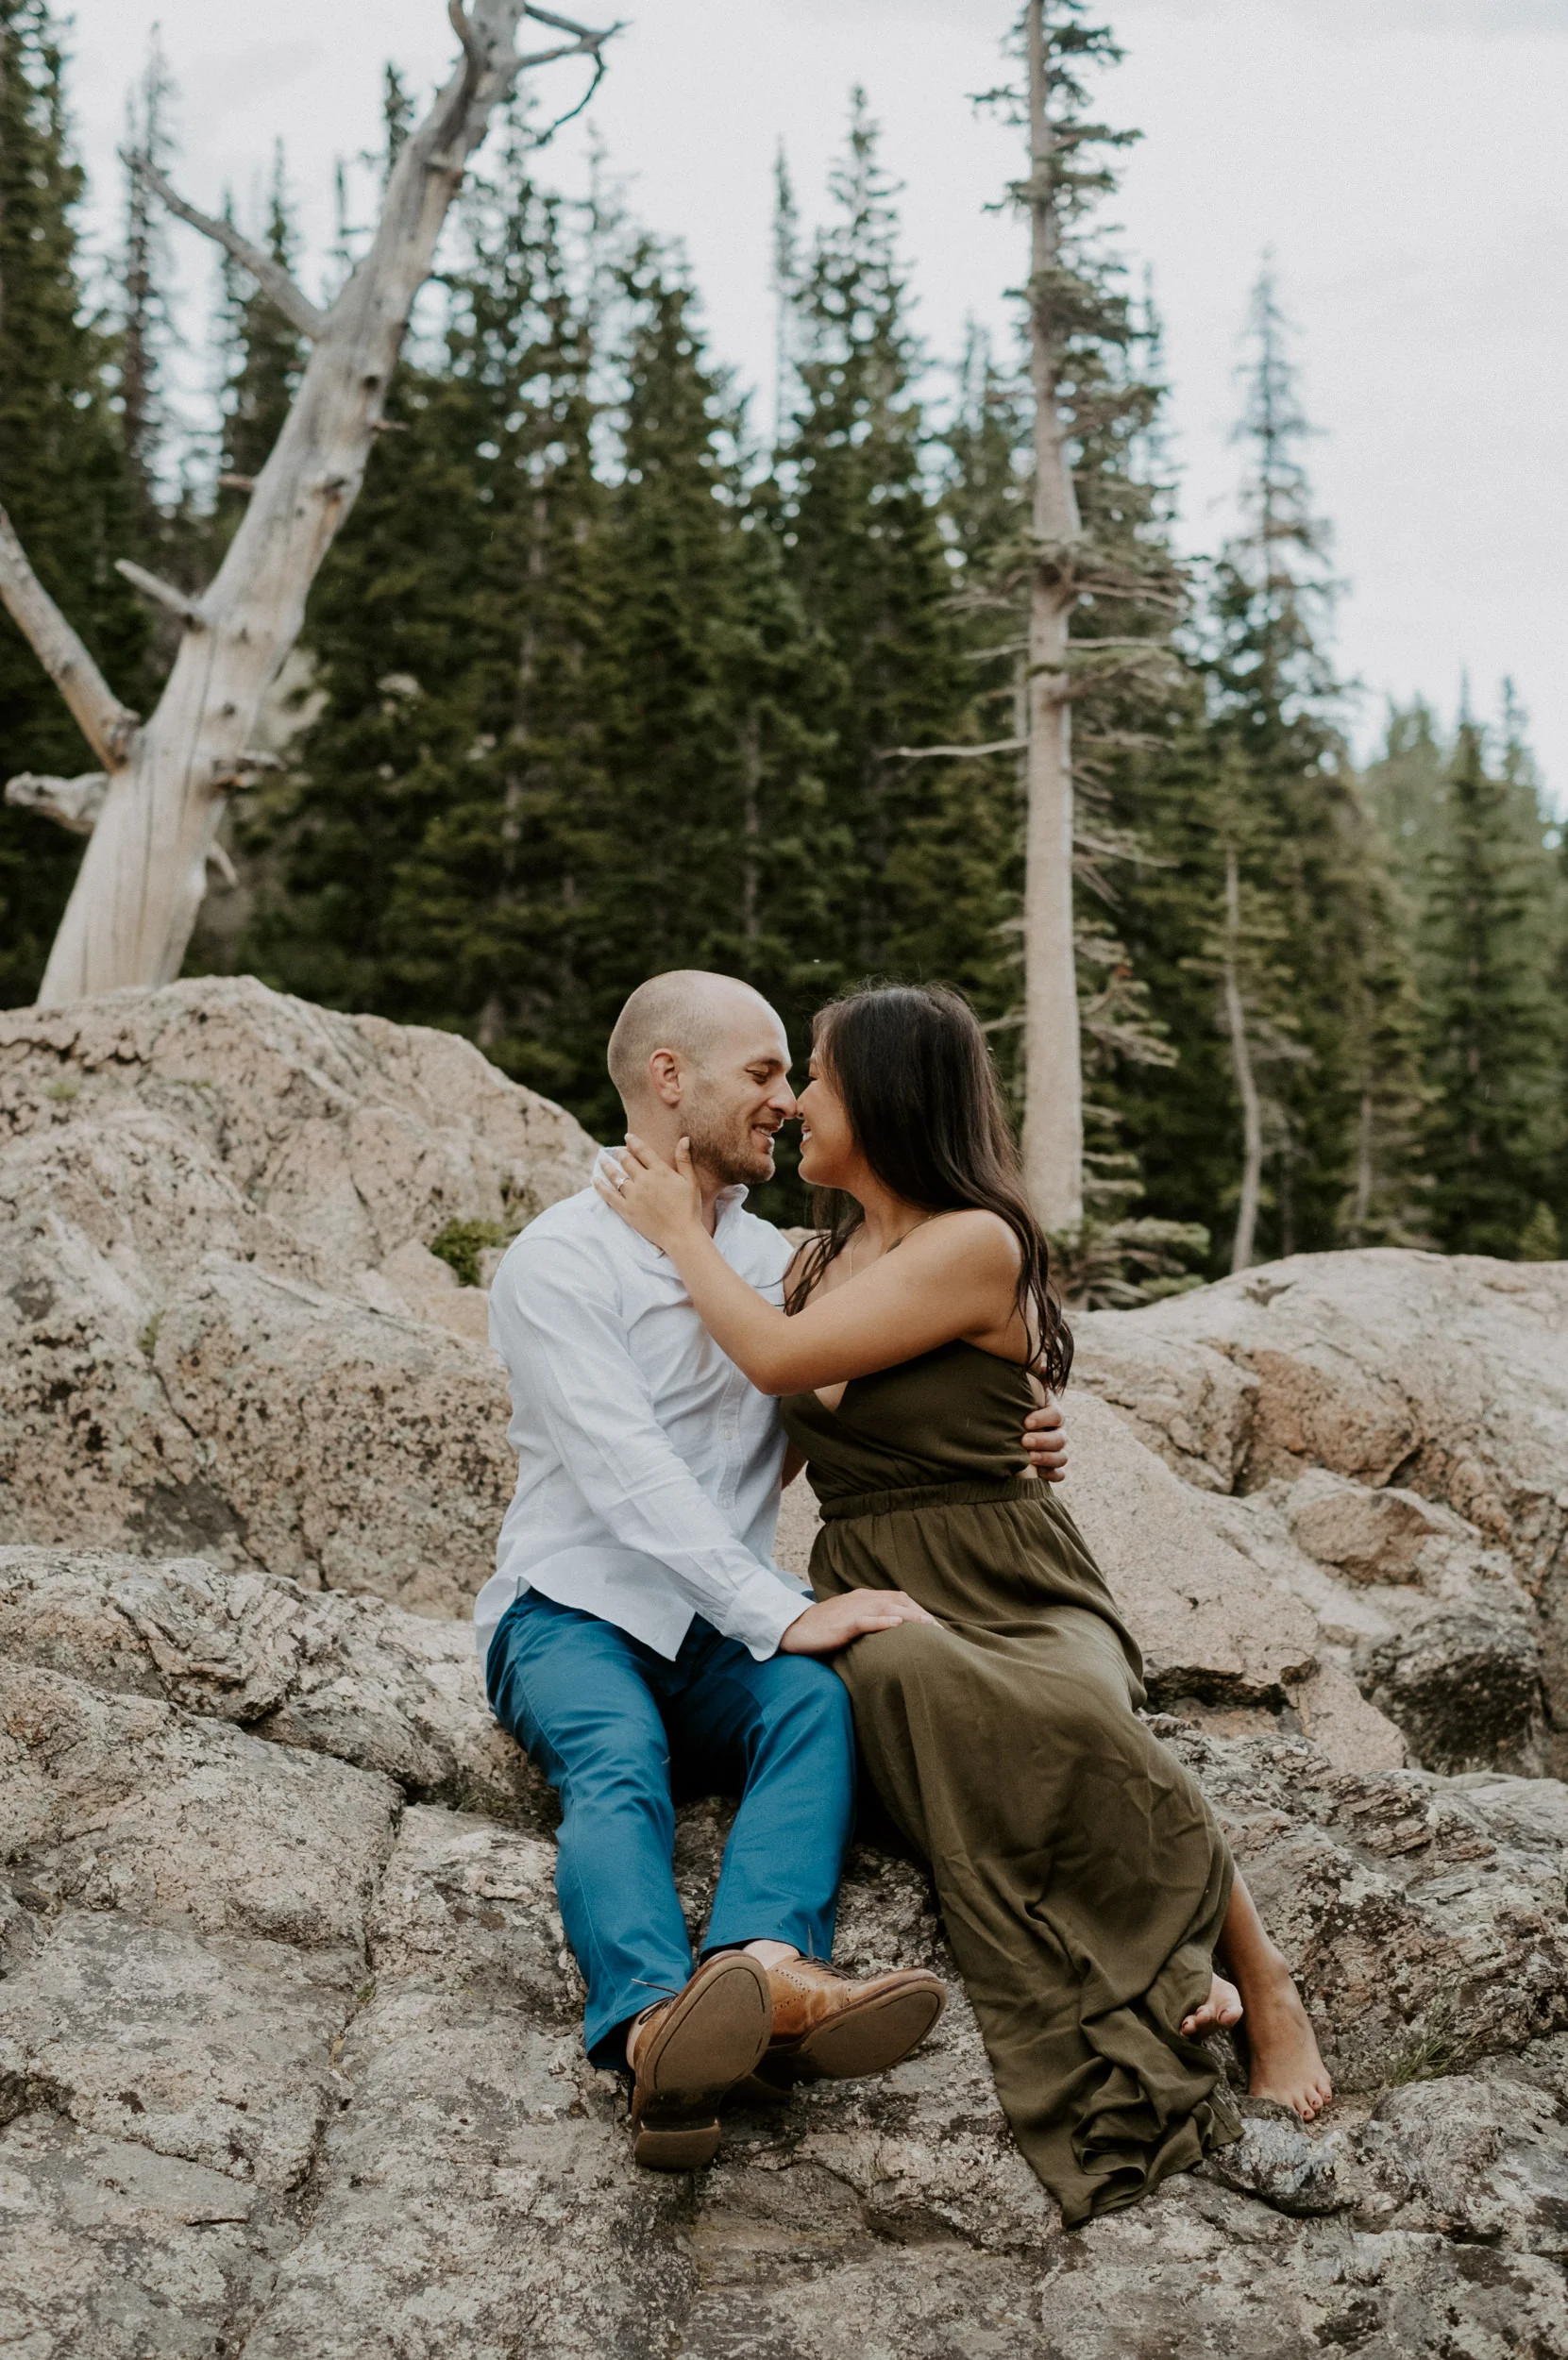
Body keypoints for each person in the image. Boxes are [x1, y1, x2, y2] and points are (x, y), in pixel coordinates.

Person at [597, 979, 1335, 2228]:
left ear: (882, 1095)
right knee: (892, 1671)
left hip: (1013, 1580)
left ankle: (1264, 1988)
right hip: (883, 1578)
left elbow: (779, 1365)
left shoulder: (974, 1240)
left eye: (815, 1075)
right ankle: (1159, 1970)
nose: (794, 1103)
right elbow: (758, 1397)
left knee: (1077, 1716)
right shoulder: (816, 1258)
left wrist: (675, 1231)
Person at [478, 969, 1069, 2172]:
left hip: (712, 1631)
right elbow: (625, 1476)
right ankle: (652, 2026)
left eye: (790, 1078)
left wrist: (1020, 1421)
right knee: (617, 1763)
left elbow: (865, 1390)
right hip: (570, 1613)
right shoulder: (557, 1262)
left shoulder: (787, 1265)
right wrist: (777, 1609)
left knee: (813, 1703)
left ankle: (762, 1969)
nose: (787, 1104)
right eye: (760, 1074)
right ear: (666, 1079)